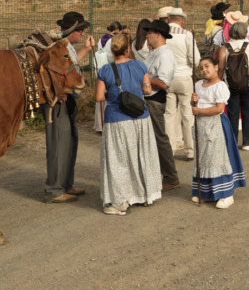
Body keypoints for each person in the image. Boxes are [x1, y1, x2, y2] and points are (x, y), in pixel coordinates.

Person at [93, 32, 163, 215]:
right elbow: (147, 90)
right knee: (141, 155)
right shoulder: (140, 66)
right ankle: (145, 194)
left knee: (119, 160)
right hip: (140, 117)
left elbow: (99, 97)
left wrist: (114, 93)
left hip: (116, 119)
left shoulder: (106, 71)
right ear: (127, 49)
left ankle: (120, 200)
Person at [45, 11, 92, 203]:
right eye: (80, 30)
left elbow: (71, 66)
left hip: (70, 98)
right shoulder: (58, 47)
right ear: (71, 30)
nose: (82, 34)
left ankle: (67, 184)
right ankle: (55, 189)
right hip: (59, 99)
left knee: (70, 141)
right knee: (59, 143)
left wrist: (87, 50)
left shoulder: (68, 47)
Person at [189, 56, 245, 208]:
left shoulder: (220, 86)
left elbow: (219, 109)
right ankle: (206, 192)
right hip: (200, 126)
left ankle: (226, 194)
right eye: (201, 68)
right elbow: (194, 104)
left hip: (215, 125)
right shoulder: (198, 84)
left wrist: (198, 109)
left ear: (216, 67)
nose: (204, 70)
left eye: (207, 66)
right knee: (204, 157)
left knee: (217, 158)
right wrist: (193, 101)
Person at [139, 20, 182, 189]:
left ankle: (171, 176)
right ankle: (160, 174)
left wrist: (145, 79)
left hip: (155, 100)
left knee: (159, 138)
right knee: (153, 138)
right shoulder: (154, 52)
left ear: (158, 34)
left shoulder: (165, 54)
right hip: (148, 99)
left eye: (149, 33)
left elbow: (163, 83)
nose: (147, 36)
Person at [157, 7, 199, 159]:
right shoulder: (186, 34)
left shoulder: (163, 34)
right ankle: (190, 150)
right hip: (184, 76)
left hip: (167, 78)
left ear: (169, 18)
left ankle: (171, 148)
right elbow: (196, 59)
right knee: (187, 113)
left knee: (169, 114)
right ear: (181, 20)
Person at [218, 20, 249, 150]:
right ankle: (247, 142)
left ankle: (233, 142)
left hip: (231, 84)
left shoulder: (225, 47)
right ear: (244, 32)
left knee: (233, 114)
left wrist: (220, 81)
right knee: (248, 113)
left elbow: (221, 67)